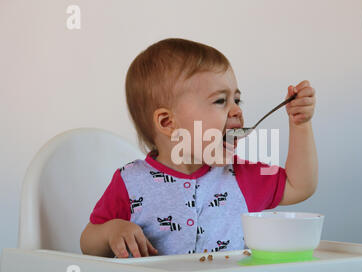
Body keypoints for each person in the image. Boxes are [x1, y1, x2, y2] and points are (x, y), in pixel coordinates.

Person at [80, 38, 318, 258]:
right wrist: (112, 231)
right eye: (220, 101)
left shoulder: (241, 177)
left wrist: (301, 124)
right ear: (168, 123)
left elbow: (299, 185)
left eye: (237, 99)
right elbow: (88, 242)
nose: (237, 110)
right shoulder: (130, 182)